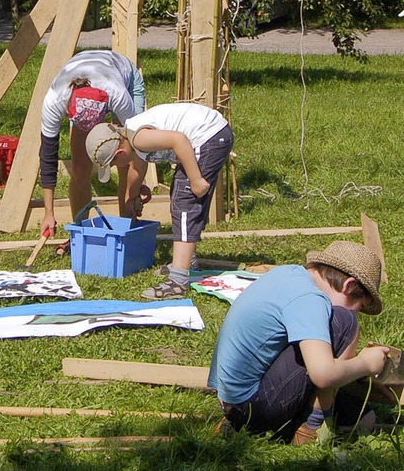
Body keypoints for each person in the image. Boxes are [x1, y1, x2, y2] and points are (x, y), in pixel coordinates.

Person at [208, 241, 390, 445]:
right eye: (358, 306)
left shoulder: (289, 274)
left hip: (233, 402)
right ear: (349, 285)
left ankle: (329, 414)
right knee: (345, 323)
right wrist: (366, 363)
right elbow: (323, 374)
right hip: (252, 408)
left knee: (365, 419)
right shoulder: (309, 300)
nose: (355, 312)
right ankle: (310, 428)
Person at [85, 102, 233, 299]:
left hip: (209, 136)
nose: (116, 167)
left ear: (120, 153)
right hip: (209, 134)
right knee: (180, 196)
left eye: (113, 164)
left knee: (185, 202)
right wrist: (132, 196)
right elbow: (138, 170)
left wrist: (196, 180)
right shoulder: (131, 136)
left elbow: (178, 140)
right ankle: (185, 263)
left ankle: (178, 281)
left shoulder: (139, 139)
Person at [39, 50, 146, 243]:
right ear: (69, 110)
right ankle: (80, 235)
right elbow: (48, 158)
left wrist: (137, 187)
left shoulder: (117, 94)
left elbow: (139, 144)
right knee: (80, 169)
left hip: (124, 76)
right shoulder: (54, 100)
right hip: (84, 74)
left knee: (124, 161)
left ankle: (127, 230)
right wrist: (48, 213)